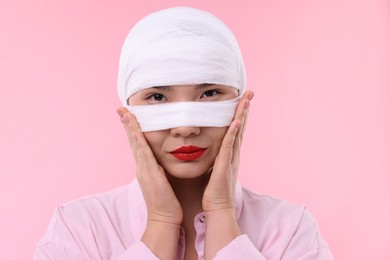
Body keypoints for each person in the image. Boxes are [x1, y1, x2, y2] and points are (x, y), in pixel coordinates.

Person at [34, 7, 333, 260]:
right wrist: (160, 225)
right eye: (158, 98)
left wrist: (223, 215)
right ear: (127, 112)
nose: (186, 127)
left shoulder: (292, 230)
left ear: (241, 103)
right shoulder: (76, 231)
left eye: (210, 93)